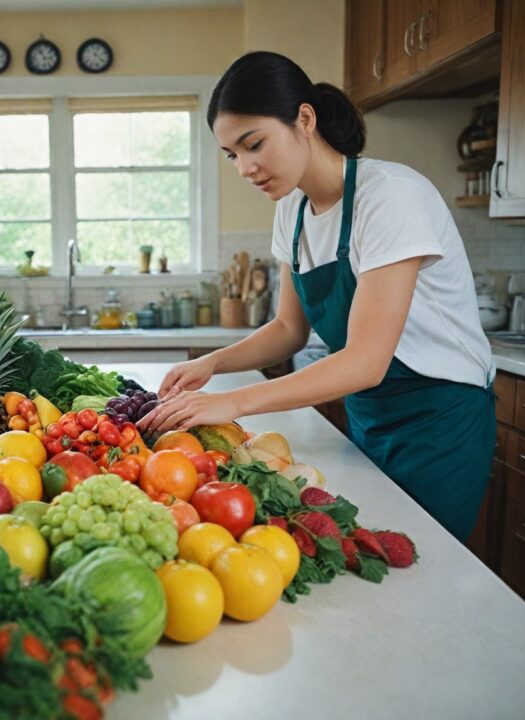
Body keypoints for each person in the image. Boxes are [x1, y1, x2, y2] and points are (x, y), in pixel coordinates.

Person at [137, 51, 495, 542]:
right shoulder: (294, 211)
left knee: (426, 565)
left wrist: (234, 403)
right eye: (232, 154)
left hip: (440, 421)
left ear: (305, 119)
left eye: (253, 144)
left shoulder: (390, 197)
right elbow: (289, 329)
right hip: (369, 415)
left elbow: (367, 361)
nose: (244, 168)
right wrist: (213, 365)